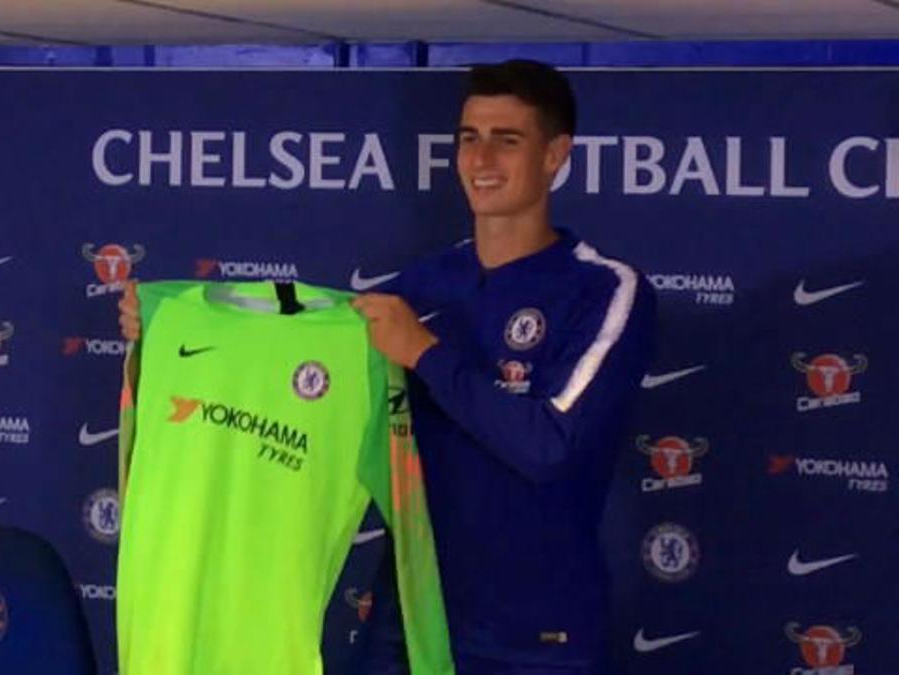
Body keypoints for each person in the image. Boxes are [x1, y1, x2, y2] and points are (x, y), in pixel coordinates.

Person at [120, 60, 655, 675]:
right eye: (468, 138)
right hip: (411, 615)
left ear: (556, 154)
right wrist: (171, 333)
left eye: (507, 140)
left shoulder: (602, 289)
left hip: (537, 636)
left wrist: (424, 353)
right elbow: (298, 369)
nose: (481, 160)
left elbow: (549, 446)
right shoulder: (420, 287)